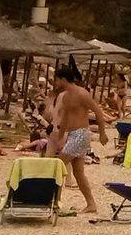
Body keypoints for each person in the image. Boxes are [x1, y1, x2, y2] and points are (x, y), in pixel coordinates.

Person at [47, 61, 112, 215]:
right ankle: (91, 204)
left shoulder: (82, 93)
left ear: (63, 79)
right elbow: (65, 117)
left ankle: (55, 202)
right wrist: (61, 136)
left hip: (81, 134)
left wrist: (102, 133)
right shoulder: (67, 96)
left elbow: (97, 111)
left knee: (58, 166)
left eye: (57, 80)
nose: (55, 83)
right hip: (72, 135)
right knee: (78, 172)